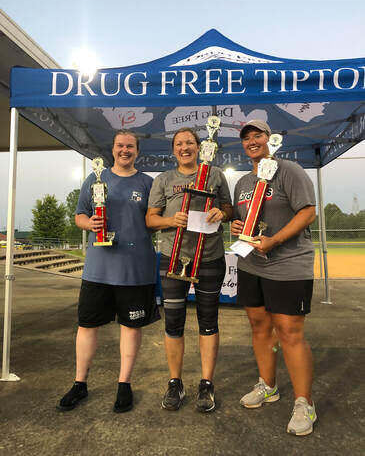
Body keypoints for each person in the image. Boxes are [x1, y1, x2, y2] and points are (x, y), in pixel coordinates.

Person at [57, 130, 160, 413]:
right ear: (112, 149)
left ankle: (124, 384)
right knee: (87, 325)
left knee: (130, 327)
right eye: (119, 145)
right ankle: (80, 383)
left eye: (130, 146)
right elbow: (79, 214)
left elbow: (155, 220)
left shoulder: (148, 183)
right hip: (98, 268)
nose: (124, 150)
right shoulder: (94, 179)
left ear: (137, 151)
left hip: (135, 268)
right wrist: (88, 224)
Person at [231, 119, 317, 436]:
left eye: (258, 135)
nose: (252, 141)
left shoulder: (289, 170)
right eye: (246, 138)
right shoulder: (241, 183)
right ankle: (268, 385)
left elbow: (308, 212)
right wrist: (237, 228)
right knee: (259, 326)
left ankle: (304, 402)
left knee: (290, 332)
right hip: (251, 264)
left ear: (270, 139)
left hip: (289, 263)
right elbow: (244, 222)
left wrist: (276, 240)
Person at [146, 127, 232, 413]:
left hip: (209, 257)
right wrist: (171, 220)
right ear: (173, 150)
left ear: (199, 147)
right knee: (173, 323)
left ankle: (206, 383)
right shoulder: (164, 179)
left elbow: (229, 210)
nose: (185, 147)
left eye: (190, 143)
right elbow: (150, 219)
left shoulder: (216, 175)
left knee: (208, 321)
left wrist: (222, 212)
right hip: (172, 260)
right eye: (179, 143)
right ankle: (175, 382)